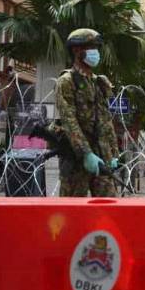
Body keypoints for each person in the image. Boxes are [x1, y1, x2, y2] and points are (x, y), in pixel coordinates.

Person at [55, 28, 120, 197]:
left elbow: (106, 121)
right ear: (77, 50)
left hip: (102, 156)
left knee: (109, 207)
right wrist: (86, 154)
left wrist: (114, 154)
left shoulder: (99, 82)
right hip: (76, 157)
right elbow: (70, 122)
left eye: (97, 48)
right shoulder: (66, 81)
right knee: (72, 212)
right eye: (91, 47)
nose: (96, 52)